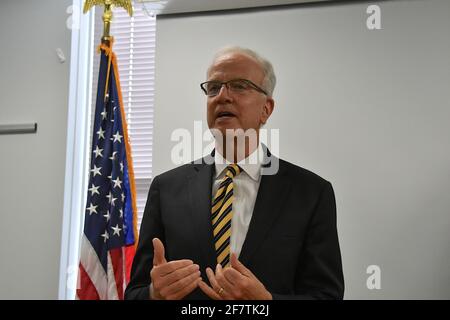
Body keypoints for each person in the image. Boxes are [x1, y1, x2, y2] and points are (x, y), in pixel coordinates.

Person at [125, 46, 344, 300]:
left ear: (266, 109)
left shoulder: (311, 193)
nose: (223, 96)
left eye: (239, 86)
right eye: (214, 87)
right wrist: (153, 294)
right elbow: (134, 294)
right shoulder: (166, 188)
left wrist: (266, 302)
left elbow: (327, 296)